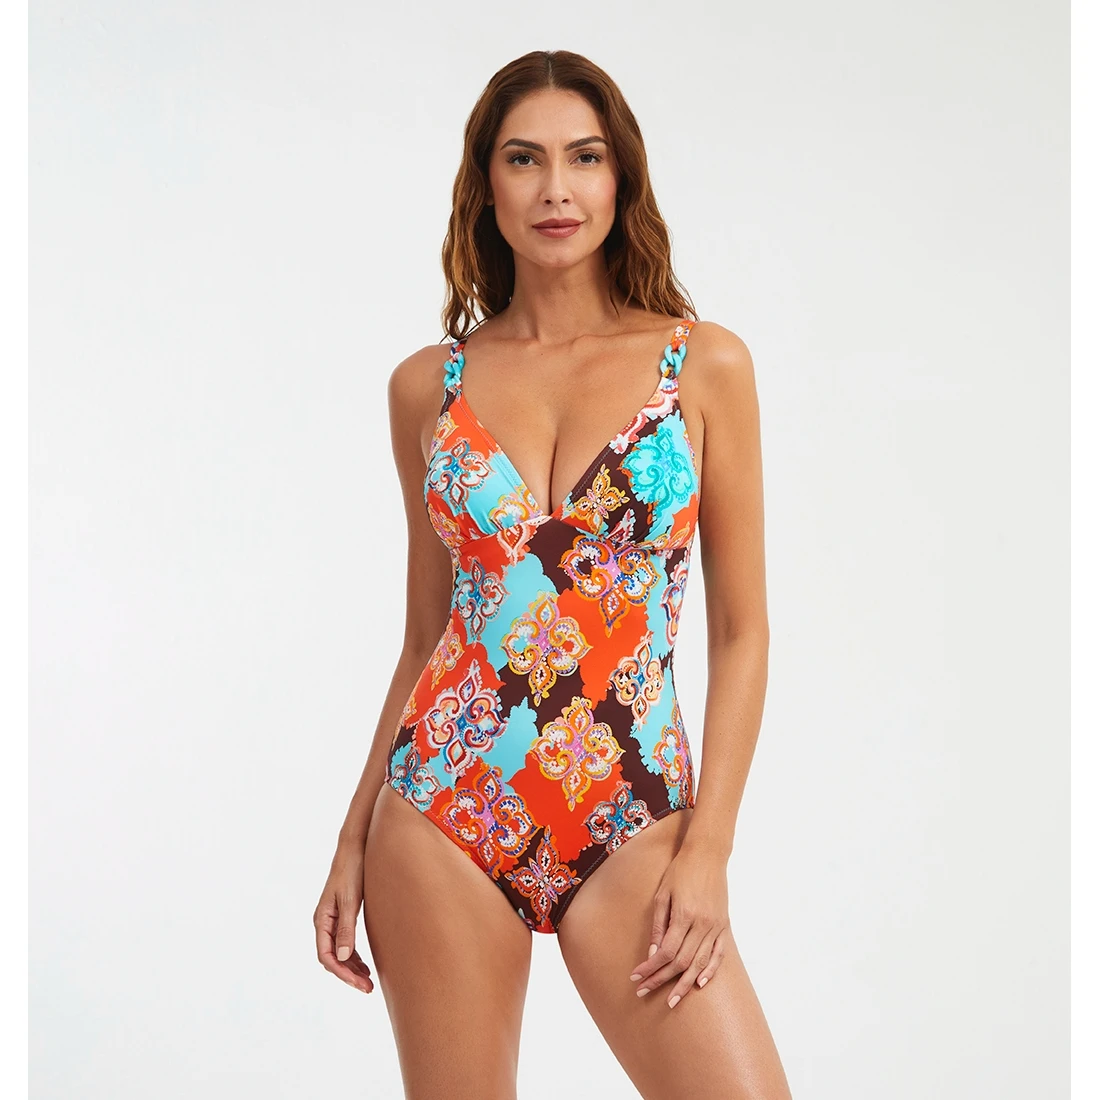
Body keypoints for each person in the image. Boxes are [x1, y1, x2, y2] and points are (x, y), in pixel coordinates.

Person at [314, 49, 791, 1100]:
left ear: (621, 178)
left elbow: (742, 631)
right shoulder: (426, 388)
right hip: (441, 809)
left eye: (584, 157)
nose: (555, 189)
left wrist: (709, 849)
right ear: (486, 185)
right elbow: (426, 635)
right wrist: (352, 836)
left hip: (631, 810)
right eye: (524, 159)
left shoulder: (701, 364)